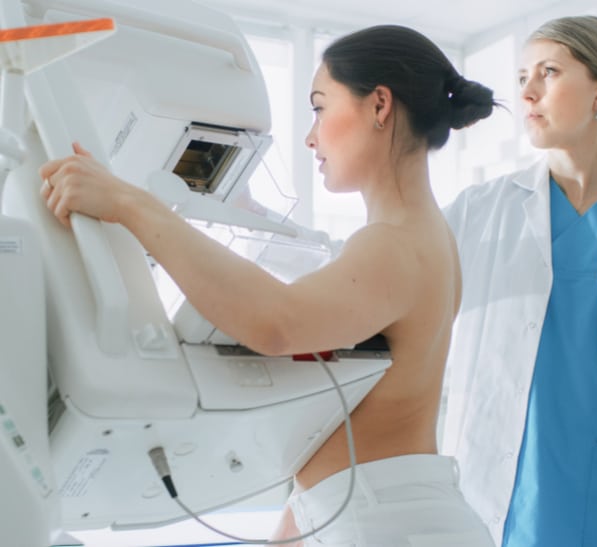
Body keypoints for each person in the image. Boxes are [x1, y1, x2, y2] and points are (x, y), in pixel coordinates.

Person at [40, 24, 496, 547]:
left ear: (380, 106)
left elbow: (275, 322)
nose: (310, 136)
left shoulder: (393, 244)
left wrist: (128, 203)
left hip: (392, 525)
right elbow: (349, 434)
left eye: (320, 108)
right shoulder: (424, 237)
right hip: (390, 514)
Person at [441, 15, 597, 547]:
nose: (527, 93)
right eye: (522, 77)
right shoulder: (481, 211)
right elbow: (374, 274)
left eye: (548, 73)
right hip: (509, 494)